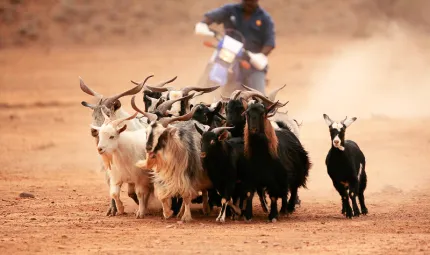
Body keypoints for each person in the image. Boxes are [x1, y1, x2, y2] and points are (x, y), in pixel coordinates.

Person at [196, 0, 275, 95]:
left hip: (251, 61)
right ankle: (196, 98)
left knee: (259, 95)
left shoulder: (265, 18)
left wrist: (260, 55)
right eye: (247, 1)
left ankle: (264, 107)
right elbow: (211, 17)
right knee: (211, 66)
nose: (249, 3)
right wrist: (203, 24)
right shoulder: (230, 10)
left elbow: (270, 43)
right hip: (228, 52)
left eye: (252, 1)